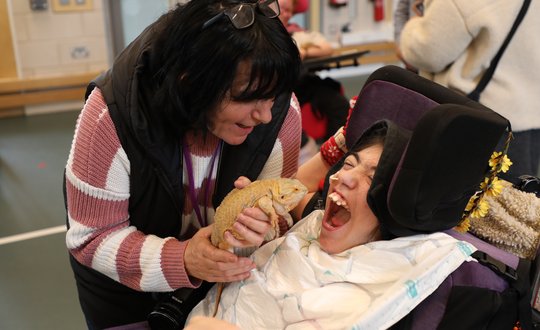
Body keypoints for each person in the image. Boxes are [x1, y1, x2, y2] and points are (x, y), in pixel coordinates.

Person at [63, 0, 303, 328]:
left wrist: (261, 230)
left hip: (219, 288)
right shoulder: (111, 116)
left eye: (273, 96)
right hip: (123, 292)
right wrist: (184, 259)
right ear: (190, 83)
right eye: (247, 98)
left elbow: (281, 225)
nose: (263, 115)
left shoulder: (281, 113)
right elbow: (92, 237)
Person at [186, 120, 476, 329]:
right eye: (348, 164)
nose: (342, 177)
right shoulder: (310, 225)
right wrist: (242, 239)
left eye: (372, 178)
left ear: (391, 211)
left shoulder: (352, 297)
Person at [399, 0, 540, 178]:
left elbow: (426, 51)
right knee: (516, 200)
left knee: (464, 201)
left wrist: (413, 26)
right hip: (528, 117)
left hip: (476, 123)